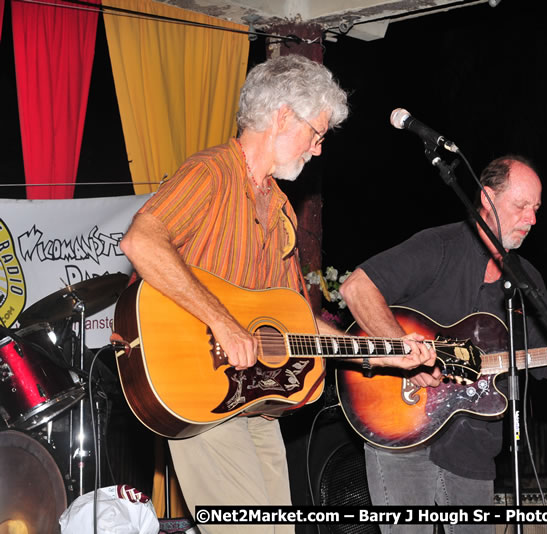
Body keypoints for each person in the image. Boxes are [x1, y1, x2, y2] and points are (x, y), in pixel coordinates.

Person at [119, 54, 435, 534]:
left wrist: (385, 352)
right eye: (317, 133)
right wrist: (223, 322)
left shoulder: (281, 208)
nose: (318, 148)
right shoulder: (210, 173)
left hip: (256, 403)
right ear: (283, 115)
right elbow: (141, 240)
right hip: (199, 390)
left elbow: (296, 323)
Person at [339, 155, 547, 534]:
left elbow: (544, 360)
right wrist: (404, 352)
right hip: (400, 428)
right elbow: (356, 287)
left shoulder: (527, 280)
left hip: (473, 449)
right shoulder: (439, 246)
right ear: (486, 197)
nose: (532, 219)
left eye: (537, 209)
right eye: (521, 205)